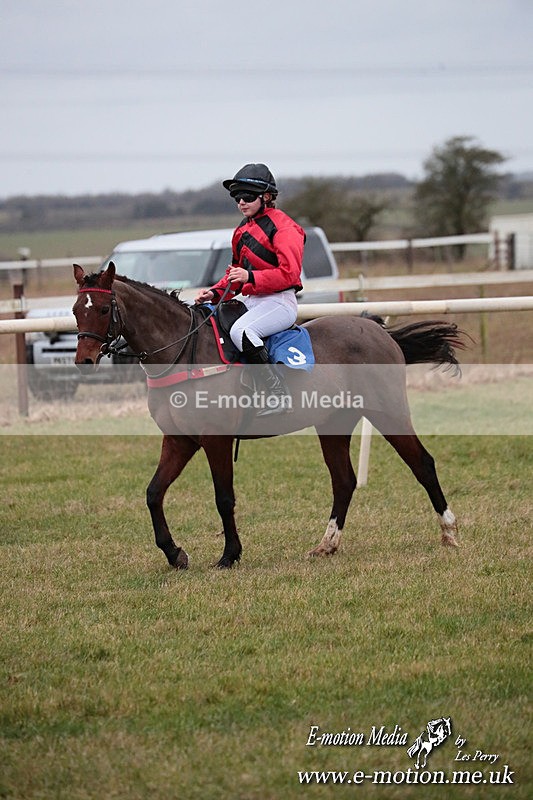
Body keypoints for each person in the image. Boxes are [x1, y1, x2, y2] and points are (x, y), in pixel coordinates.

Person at [195, 163, 305, 414]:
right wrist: (214, 292)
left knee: (242, 331)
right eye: (237, 198)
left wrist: (250, 277)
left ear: (267, 197)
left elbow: (290, 275)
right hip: (254, 301)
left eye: (247, 197)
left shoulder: (285, 228)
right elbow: (235, 273)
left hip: (280, 301)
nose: (241, 203)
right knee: (210, 323)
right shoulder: (242, 230)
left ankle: (278, 393)